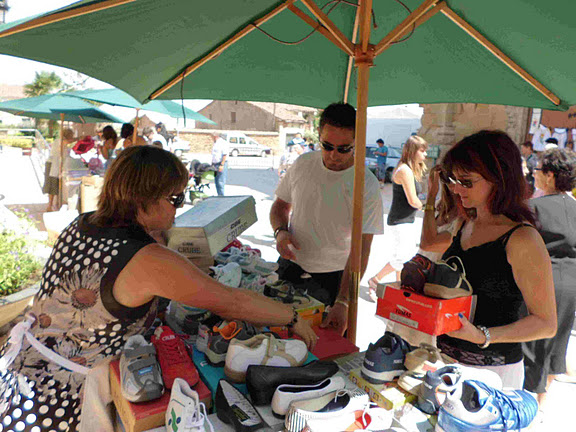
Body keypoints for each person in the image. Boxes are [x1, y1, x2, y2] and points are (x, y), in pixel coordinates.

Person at [0, 146, 316, 431]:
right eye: (175, 198)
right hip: (61, 397)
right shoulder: (146, 258)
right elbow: (232, 302)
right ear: (144, 198)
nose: (180, 207)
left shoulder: (83, 223)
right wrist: (291, 317)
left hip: (23, 367)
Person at [435, 130, 557, 389]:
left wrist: (483, 335)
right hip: (445, 363)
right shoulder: (466, 223)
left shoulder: (521, 238)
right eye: (453, 180)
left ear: (499, 178)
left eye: (466, 182)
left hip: (493, 375)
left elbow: (546, 324)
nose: (456, 189)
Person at [270, 103, 384, 335]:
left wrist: (344, 301)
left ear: (357, 142)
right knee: (276, 339)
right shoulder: (303, 164)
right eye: (327, 146)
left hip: (335, 281)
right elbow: (280, 206)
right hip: (289, 268)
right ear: (319, 135)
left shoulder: (366, 184)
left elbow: (362, 248)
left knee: (323, 347)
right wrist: (281, 232)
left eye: (344, 149)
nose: (333, 155)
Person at [522, 148, 576, 410]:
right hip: (571, 282)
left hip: (541, 280)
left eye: (538, 170)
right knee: (557, 341)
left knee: (531, 343)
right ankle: (541, 403)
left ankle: (525, 402)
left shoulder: (534, 208)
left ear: (550, 175)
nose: (534, 174)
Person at [368, 136, 428, 295]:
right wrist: (428, 207)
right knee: (403, 258)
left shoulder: (406, 169)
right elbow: (413, 200)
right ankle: (375, 280)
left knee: (403, 257)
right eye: (422, 151)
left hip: (404, 220)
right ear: (413, 151)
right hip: (400, 221)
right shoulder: (405, 171)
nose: (425, 154)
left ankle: (400, 287)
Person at [44, 128, 76, 212]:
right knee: (52, 185)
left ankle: (57, 203)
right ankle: (50, 205)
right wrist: (79, 138)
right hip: (52, 165)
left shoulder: (64, 144)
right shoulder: (59, 141)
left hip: (58, 166)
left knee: (58, 185)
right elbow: (66, 142)